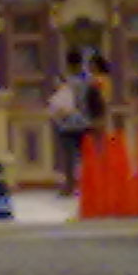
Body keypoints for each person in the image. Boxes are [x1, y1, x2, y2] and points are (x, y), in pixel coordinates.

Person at [47, 55, 88, 197]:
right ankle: (84, 185)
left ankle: (69, 187)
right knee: (83, 157)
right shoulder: (85, 82)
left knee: (68, 158)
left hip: (66, 124)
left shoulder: (64, 81)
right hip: (83, 123)